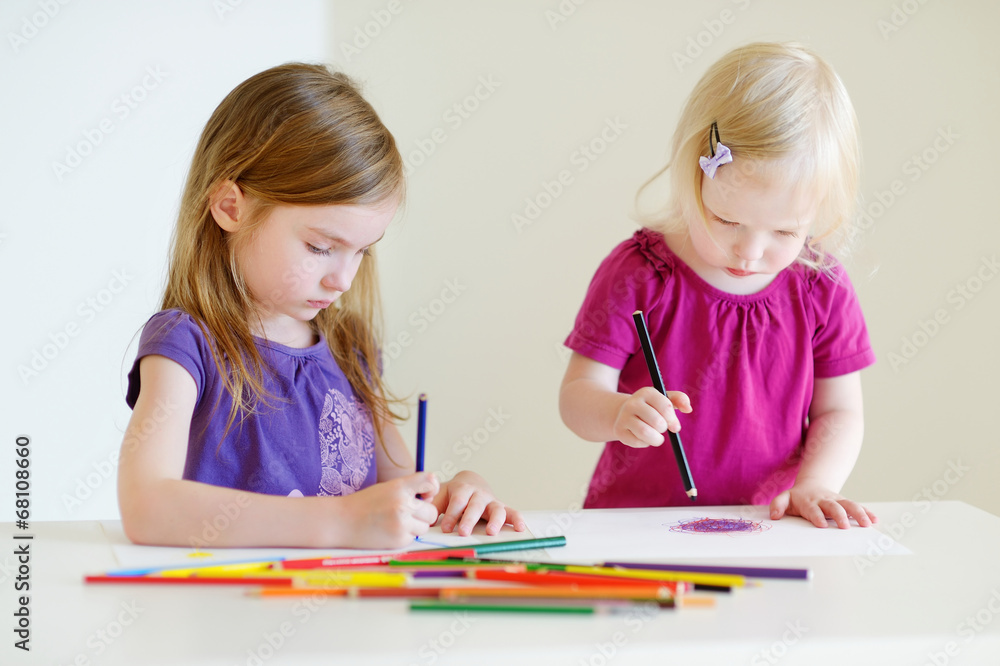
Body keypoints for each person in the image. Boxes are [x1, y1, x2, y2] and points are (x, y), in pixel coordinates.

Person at [118, 63, 524, 549]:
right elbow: (146, 507)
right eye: (320, 247)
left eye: (362, 251)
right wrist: (340, 521)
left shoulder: (350, 348)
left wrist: (460, 493)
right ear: (230, 207)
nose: (343, 280)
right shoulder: (186, 345)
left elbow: (403, 497)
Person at [559, 42, 877, 529]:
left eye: (785, 231)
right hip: (632, 529)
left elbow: (840, 413)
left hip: (768, 528)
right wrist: (617, 412)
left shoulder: (821, 289)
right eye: (727, 220)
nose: (750, 252)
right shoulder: (640, 273)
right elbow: (577, 397)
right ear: (694, 177)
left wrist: (816, 483)